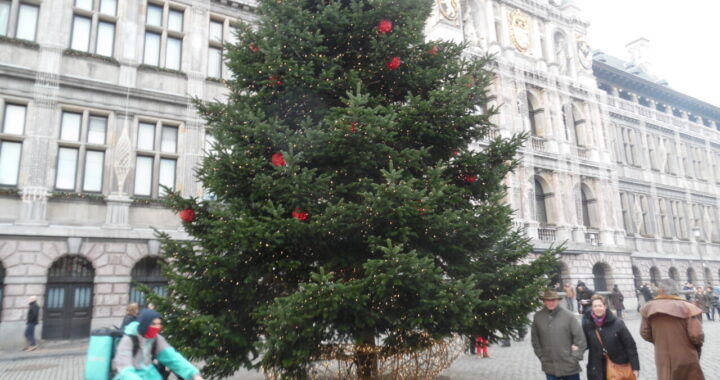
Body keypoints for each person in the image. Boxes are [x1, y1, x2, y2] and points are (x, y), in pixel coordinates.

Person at [113, 309, 205, 380]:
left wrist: (194, 375)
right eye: (153, 324)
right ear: (144, 324)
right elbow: (125, 369)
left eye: (159, 324)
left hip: (150, 375)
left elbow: (173, 358)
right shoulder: (128, 340)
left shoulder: (156, 339)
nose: (157, 327)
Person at [640, 278, 704, 380]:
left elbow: (645, 333)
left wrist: (661, 341)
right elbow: (696, 335)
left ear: (660, 290)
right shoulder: (687, 307)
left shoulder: (649, 307)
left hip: (662, 356)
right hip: (686, 355)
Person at [531, 289, 586, 380]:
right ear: (544, 301)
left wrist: (574, 358)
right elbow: (535, 340)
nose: (550, 303)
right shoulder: (538, 317)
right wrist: (541, 356)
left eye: (553, 300)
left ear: (558, 300)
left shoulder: (569, 316)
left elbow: (580, 340)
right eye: (548, 300)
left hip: (570, 367)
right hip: (549, 367)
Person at [582, 294, 639, 380]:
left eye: (600, 305)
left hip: (618, 367)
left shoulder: (617, 323)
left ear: (605, 306)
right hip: (597, 369)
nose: (597, 308)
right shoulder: (588, 324)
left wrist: (635, 367)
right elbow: (584, 343)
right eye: (595, 306)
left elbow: (630, 345)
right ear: (592, 308)